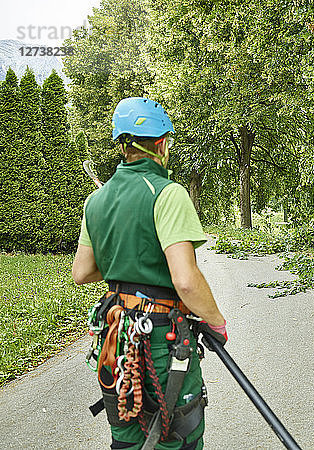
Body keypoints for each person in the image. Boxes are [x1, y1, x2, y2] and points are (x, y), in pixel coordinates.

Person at [72, 97, 227, 450]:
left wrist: (123, 261)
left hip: (115, 338)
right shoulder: (168, 194)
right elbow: (185, 280)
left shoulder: (96, 201)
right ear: (161, 143)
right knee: (177, 436)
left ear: (122, 144)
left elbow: (82, 272)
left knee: (127, 437)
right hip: (160, 339)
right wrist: (215, 321)